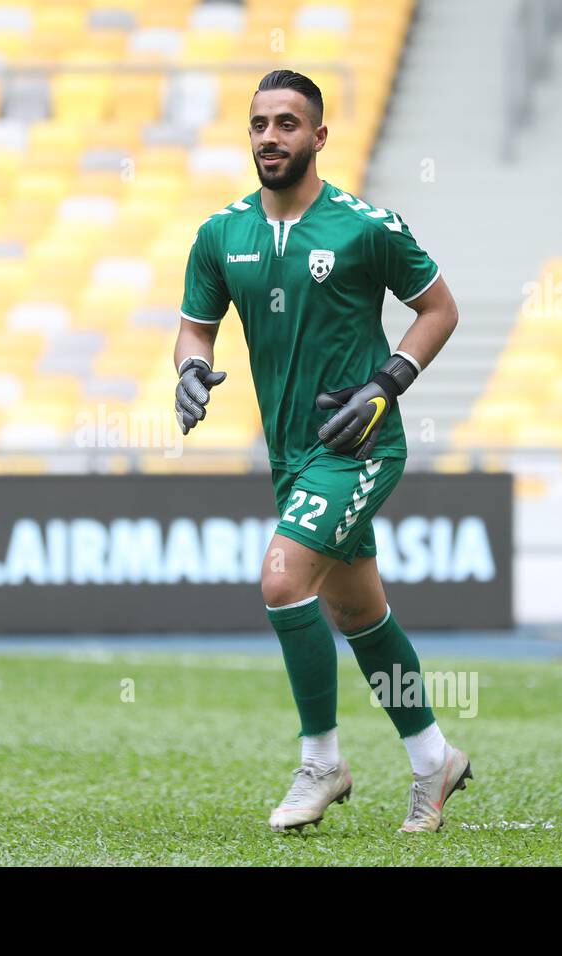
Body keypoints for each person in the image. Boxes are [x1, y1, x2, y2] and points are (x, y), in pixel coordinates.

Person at [173, 70, 469, 833]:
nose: (270, 137)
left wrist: (387, 383)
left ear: (319, 137)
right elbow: (195, 329)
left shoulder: (365, 226)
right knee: (357, 610)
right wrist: (189, 371)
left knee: (281, 579)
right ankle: (435, 759)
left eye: (287, 124)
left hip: (361, 443)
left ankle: (322, 761)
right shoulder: (220, 235)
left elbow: (438, 309)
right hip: (293, 455)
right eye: (259, 124)